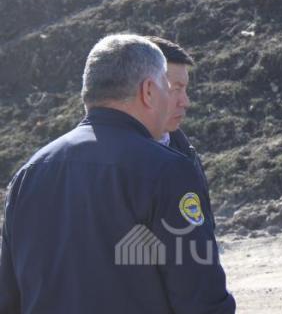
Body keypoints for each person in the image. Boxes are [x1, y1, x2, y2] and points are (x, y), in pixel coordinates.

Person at [0, 34, 235, 314]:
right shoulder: (166, 170)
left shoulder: (29, 174)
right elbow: (200, 297)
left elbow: (9, 297)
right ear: (149, 91)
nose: (181, 101)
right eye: (168, 87)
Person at [147, 36, 214, 227]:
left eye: (185, 90)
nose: (185, 102)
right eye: (175, 89)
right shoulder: (107, 162)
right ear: (146, 90)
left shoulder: (184, 152)